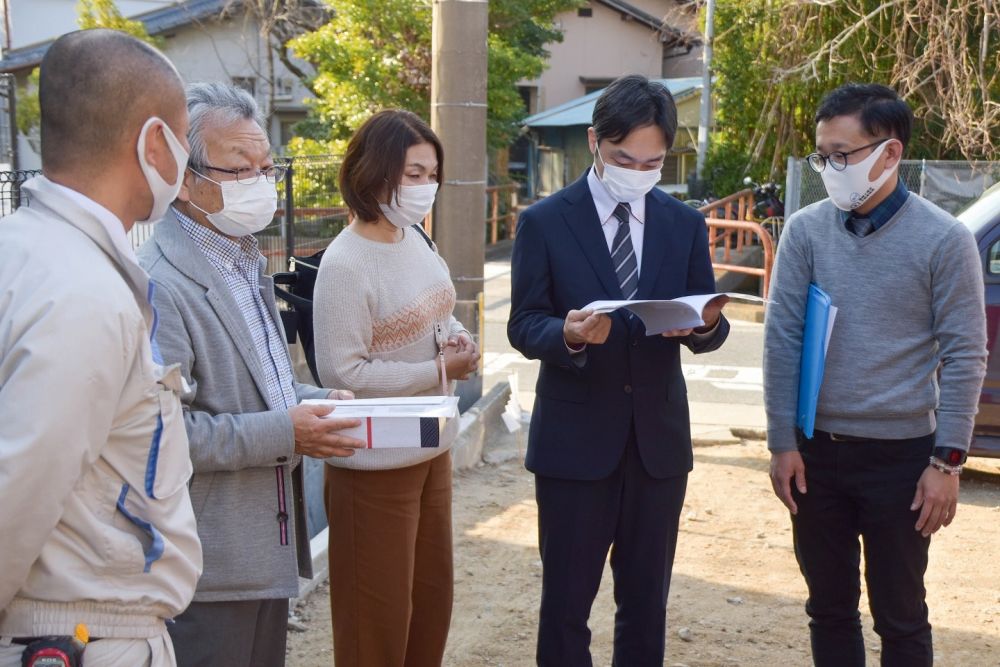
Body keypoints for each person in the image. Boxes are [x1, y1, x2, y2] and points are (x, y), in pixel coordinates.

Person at [137, 83, 365, 667]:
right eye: (241, 170)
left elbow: (265, 387)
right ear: (183, 178)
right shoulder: (161, 283)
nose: (261, 184)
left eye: (267, 167)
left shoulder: (242, 258)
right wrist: (288, 432)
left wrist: (317, 400)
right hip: (207, 559)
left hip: (266, 545)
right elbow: (162, 434)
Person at [507, 75, 731, 666]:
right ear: (594, 144)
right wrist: (567, 335)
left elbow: (708, 316)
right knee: (566, 606)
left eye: (653, 160)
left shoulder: (682, 223)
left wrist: (701, 326)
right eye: (624, 158)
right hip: (574, 448)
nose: (639, 170)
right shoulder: (546, 221)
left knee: (646, 604)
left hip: (657, 447)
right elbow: (524, 323)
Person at [763, 83, 988, 666]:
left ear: (889, 154)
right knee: (829, 608)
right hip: (816, 455)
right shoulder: (807, 230)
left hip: (902, 457)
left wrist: (948, 463)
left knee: (901, 615)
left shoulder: (945, 239)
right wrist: (782, 443)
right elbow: (783, 337)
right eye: (822, 155)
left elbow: (966, 353)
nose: (831, 167)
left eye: (843, 154)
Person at [0, 29, 202, 667]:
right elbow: (19, 487)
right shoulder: (84, 293)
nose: (187, 160)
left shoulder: (26, 251)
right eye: (184, 138)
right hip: (82, 633)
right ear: (151, 143)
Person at [312, 109, 479, 666]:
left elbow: (439, 312)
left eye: (432, 172)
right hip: (373, 465)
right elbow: (344, 376)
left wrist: (457, 342)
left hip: (432, 446)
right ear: (374, 172)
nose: (425, 185)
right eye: (412, 172)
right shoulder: (346, 264)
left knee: (430, 603)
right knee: (375, 625)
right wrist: (438, 372)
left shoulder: (415, 238)